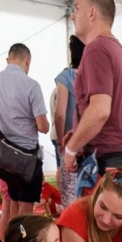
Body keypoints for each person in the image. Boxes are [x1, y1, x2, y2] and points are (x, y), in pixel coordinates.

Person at [62, 0, 122, 177]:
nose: (73, 16)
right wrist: (80, 134)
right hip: (121, 161)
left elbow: (101, 111)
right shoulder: (121, 53)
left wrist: (71, 149)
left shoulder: (96, 49)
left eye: (77, 9)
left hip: (103, 163)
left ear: (92, 12)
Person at [0, 43, 49, 238]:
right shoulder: (32, 85)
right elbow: (43, 127)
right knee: (26, 211)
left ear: (8, 60)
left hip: (6, 159)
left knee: (11, 205)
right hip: (28, 159)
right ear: (28, 61)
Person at [52, 35, 84, 205]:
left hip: (71, 142)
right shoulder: (95, 74)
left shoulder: (66, 77)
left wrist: (60, 143)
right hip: (92, 143)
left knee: (70, 195)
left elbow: (60, 114)